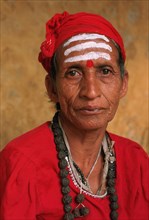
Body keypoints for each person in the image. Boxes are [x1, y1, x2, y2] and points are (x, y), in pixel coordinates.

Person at [0, 11, 148, 220]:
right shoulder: (21, 163)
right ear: (52, 88)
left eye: (105, 71)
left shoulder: (136, 161)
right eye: (73, 73)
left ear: (123, 84)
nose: (91, 91)